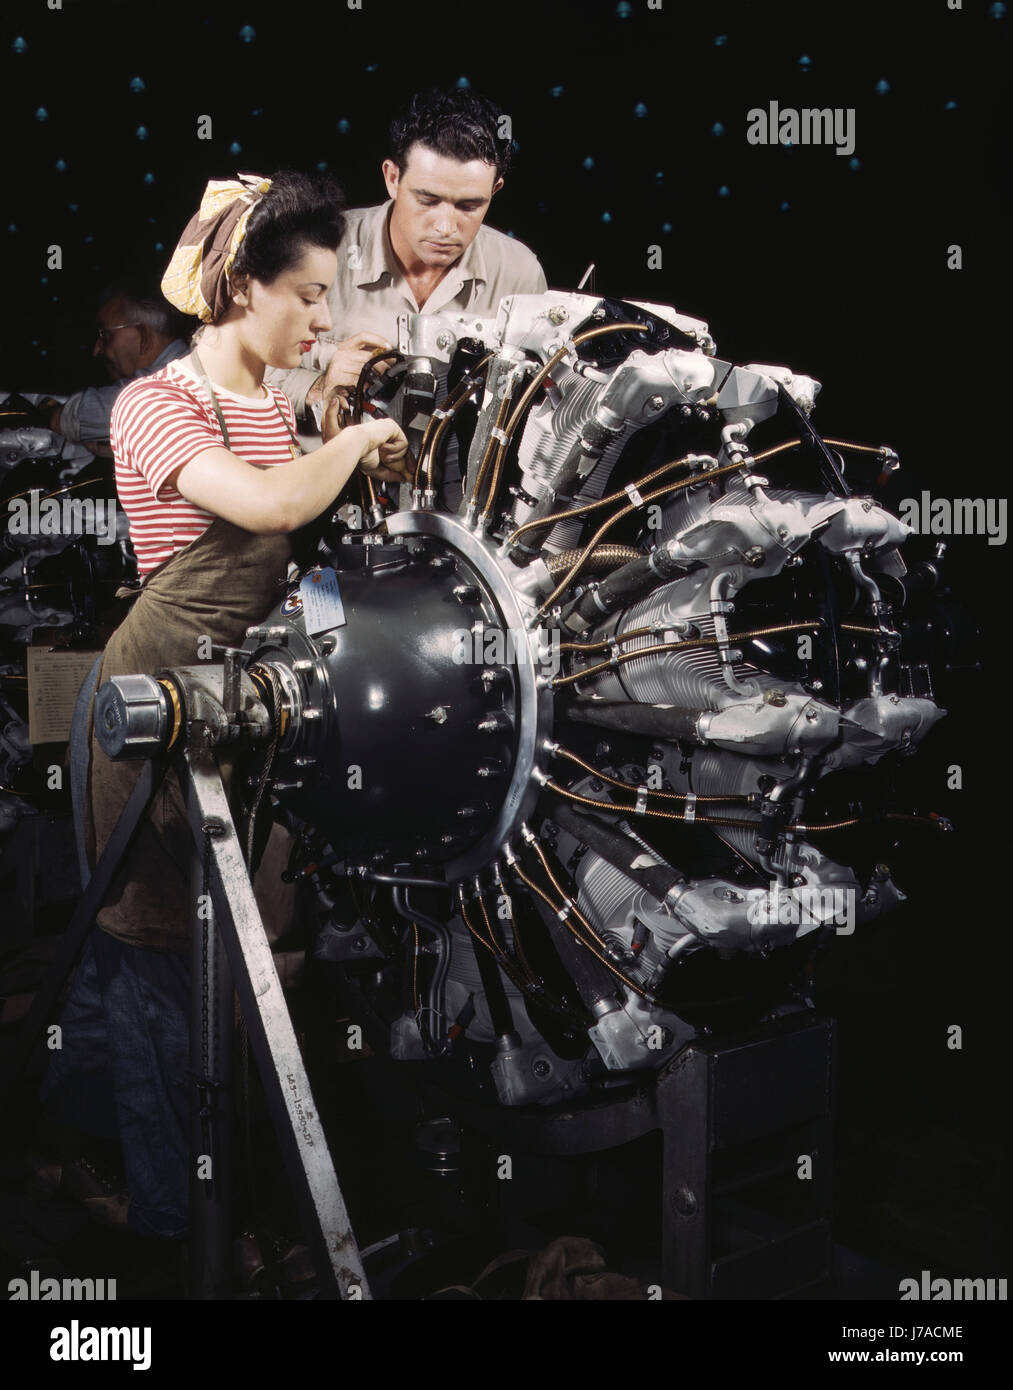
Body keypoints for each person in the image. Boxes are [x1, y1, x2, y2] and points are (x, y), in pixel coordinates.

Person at [38, 170, 410, 1245]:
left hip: (238, 704)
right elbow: (266, 504)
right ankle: (170, 1223)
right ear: (240, 288)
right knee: (150, 963)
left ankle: (182, 1180)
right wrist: (343, 446)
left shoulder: (269, 404)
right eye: (307, 295)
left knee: (222, 965)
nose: (324, 317)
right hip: (152, 700)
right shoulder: (161, 403)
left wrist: (338, 418)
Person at [269, 87, 546, 431]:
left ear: (495, 190)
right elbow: (228, 363)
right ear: (392, 178)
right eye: (427, 200)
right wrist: (316, 387)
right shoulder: (319, 250)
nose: (446, 227)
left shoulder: (520, 273)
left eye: (468, 206)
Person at [46, 282, 191, 457]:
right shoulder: (189, 366)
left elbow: (65, 418)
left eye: (105, 336)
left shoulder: (158, 389)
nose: (97, 350)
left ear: (144, 336)